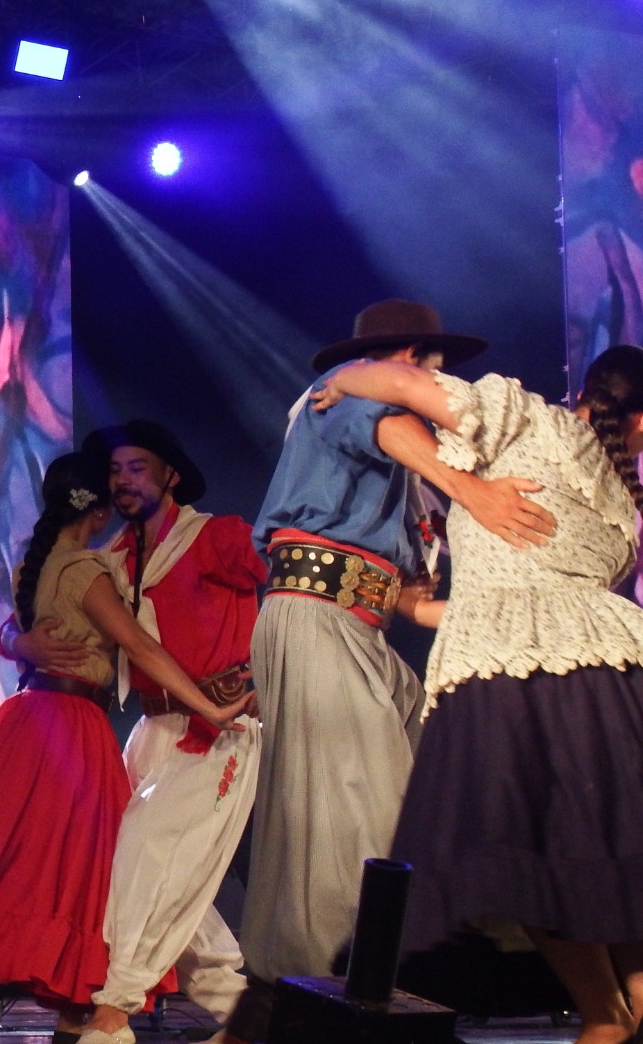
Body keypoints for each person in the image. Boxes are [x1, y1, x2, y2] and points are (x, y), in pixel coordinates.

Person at [233, 300, 558, 1013]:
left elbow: (409, 601)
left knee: (425, 779)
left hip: (361, 628)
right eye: (434, 368)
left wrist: (529, 621)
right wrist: (473, 491)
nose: (441, 385)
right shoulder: (342, 393)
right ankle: (324, 986)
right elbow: (385, 419)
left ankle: (382, 972)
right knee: (348, 807)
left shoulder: (402, 478)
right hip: (314, 613)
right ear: (410, 358)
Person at [312, 346, 643, 1044]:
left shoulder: (558, 442)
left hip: (520, 679)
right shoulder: (549, 434)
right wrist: (342, 377)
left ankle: (608, 1015)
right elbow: (402, 382)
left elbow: (531, 597)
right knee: (591, 847)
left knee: (541, 850)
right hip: (602, 675)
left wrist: (338, 379)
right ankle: (613, 1014)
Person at [0, 451, 248, 1040]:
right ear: (99, 509)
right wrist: (209, 705)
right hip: (68, 729)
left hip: (25, 723)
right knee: (84, 874)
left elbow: (18, 624)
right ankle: (73, 1009)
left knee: (12, 865)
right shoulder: (87, 572)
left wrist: (16, 642)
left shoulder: (35, 565)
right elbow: (139, 646)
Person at [6, 422, 262, 1044]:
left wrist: (266, 673)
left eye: (137, 468)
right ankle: (241, 1010)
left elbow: (289, 587)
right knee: (165, 878)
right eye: (116, 470)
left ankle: (114, 1013)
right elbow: (46, 607)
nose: (123, 480)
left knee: (148, 859)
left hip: (217, 730)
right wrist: (14, 640)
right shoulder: (111, 559)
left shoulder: (216, 537)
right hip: (151, 727)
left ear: (170, 474)